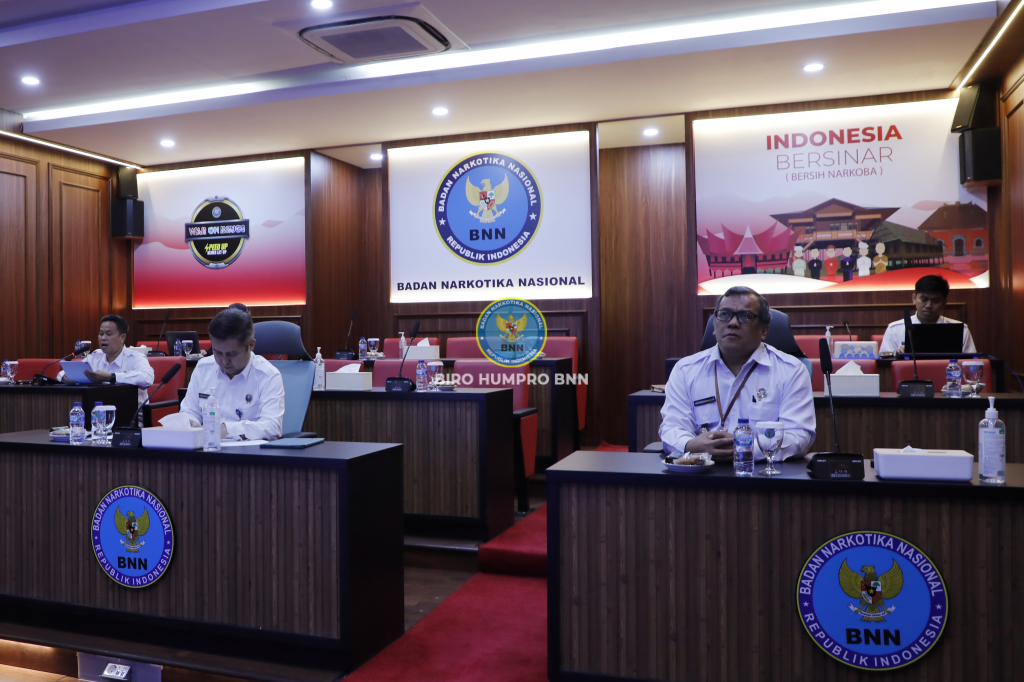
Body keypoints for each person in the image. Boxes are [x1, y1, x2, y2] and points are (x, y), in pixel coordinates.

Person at [660, 286, 815, 461]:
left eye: (745, 316)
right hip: (700, 471)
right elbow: (672, 428)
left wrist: (743, 447)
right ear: (714, 325)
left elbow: (798, 436)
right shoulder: (685, 370)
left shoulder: (791, 371)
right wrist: (691, 446)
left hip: (763, 472)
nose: (733, 323)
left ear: (764, 330)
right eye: (725, 314)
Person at [179, 308, 284, 441]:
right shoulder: (203, 368)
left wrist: (227, 429)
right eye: (217, 352)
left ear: (251, 345)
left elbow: (272, 427)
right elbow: (189, 411)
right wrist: (189, 422)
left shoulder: (268, 375)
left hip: (248, 451)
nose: (224, 361)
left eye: (232, 354)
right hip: (206, 448)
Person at [59, 314, 154, 405]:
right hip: (97, 412)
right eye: (101, 334)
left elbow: (147, 378)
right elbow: (63, 373)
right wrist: (65, 377)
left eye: (109, 334)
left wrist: (111, 377)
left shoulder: (136, 358)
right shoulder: (95, 357)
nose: (103, 338)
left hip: (132, 413)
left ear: (122, 337)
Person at [878, 275, 977, 354]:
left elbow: (972, 364)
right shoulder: (894, 329)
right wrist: (898, 355)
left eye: (935, 301)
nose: (928, 305)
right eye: (924, 299)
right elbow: (885, 365)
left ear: (944, 303)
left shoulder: (961, 330)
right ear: (914, 298)